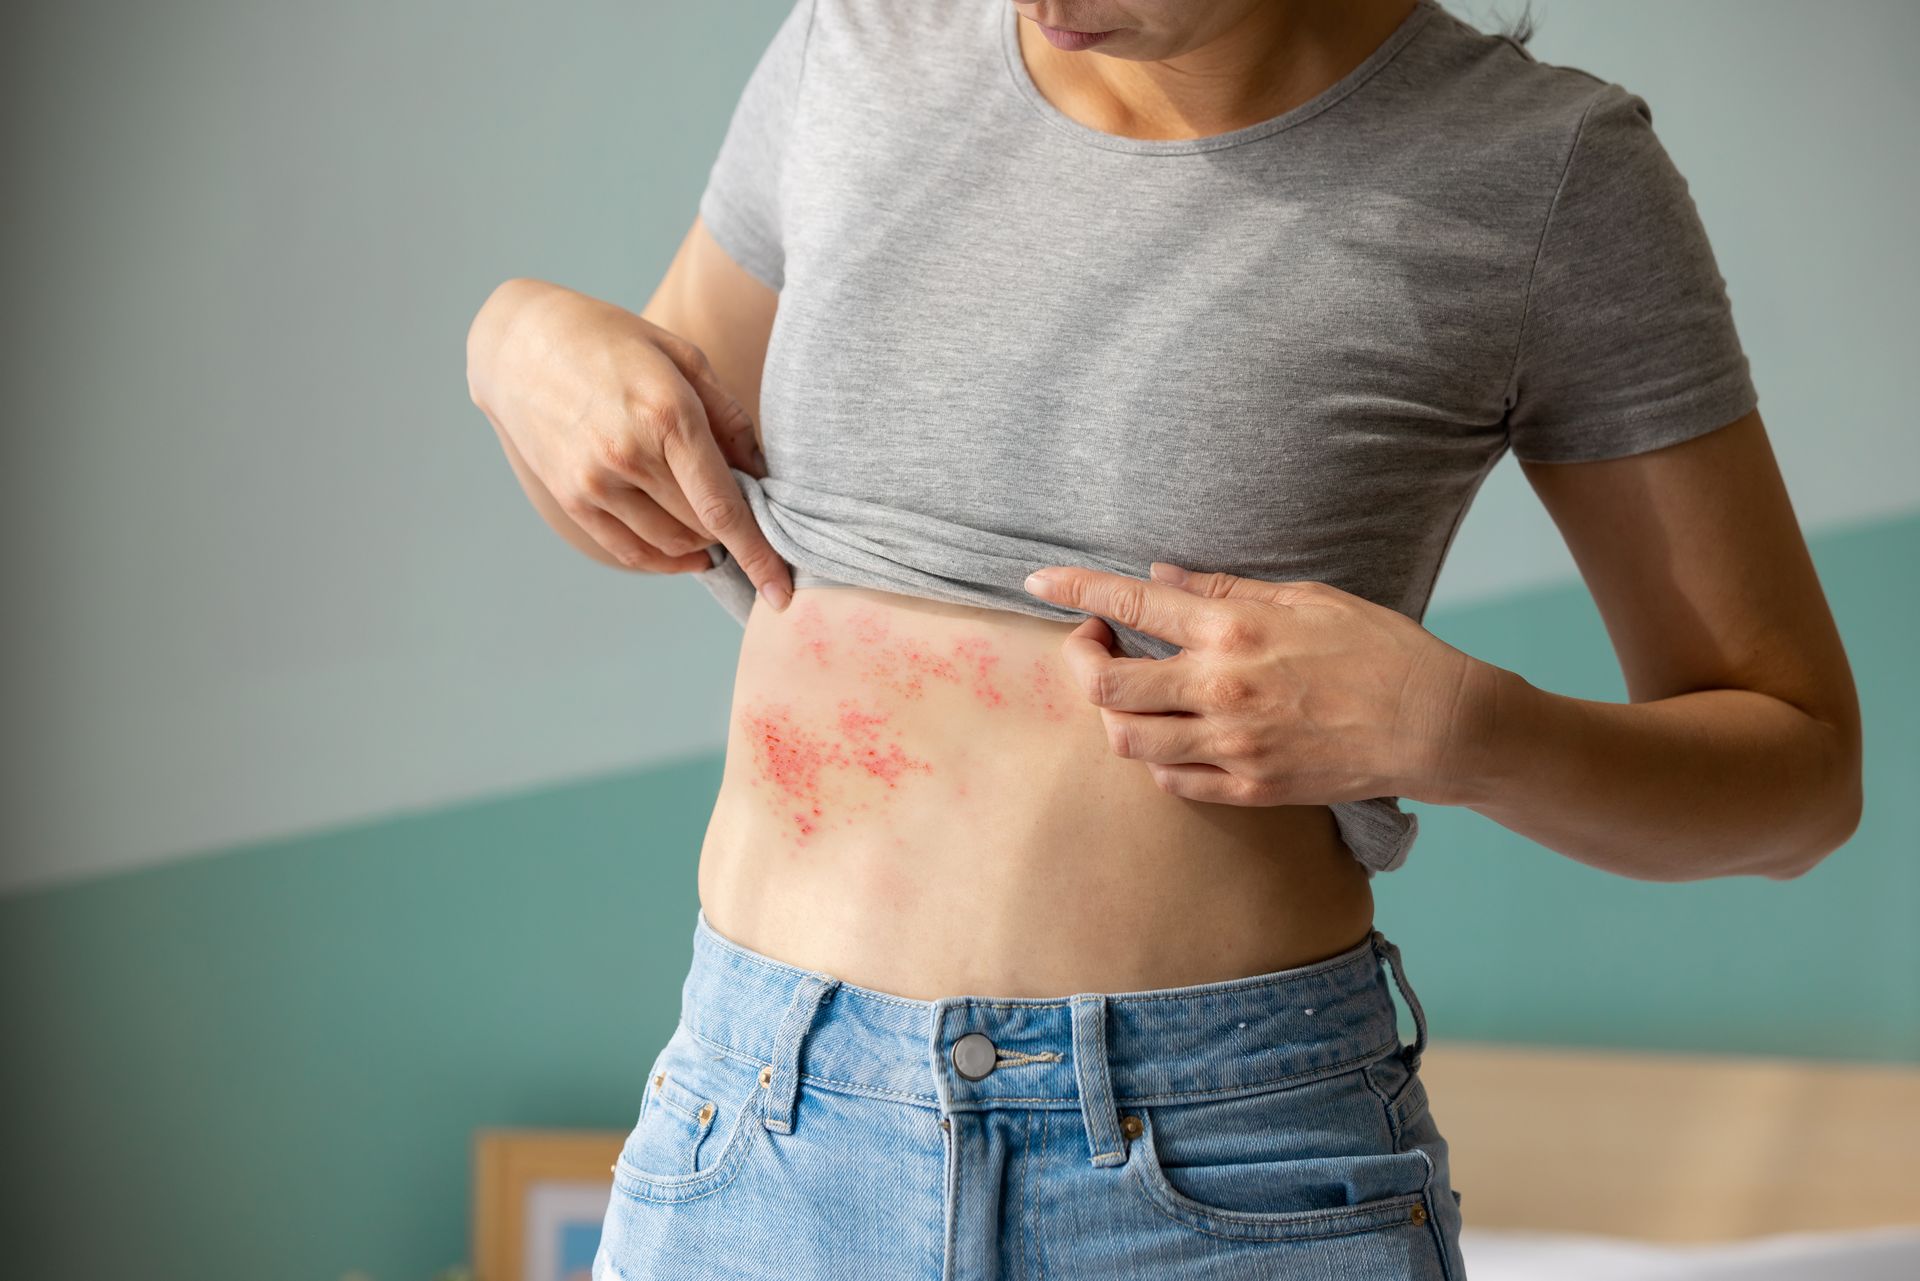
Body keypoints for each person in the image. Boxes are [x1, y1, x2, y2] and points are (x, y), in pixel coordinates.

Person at [464, 1, 1862, 1277]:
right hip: (762, 1133)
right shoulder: (860, 45)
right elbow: (635, 479)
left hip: (1222, 1173)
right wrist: (513, 345)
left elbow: (1800, 776)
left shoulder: (1545, 172)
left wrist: (1463, 731)